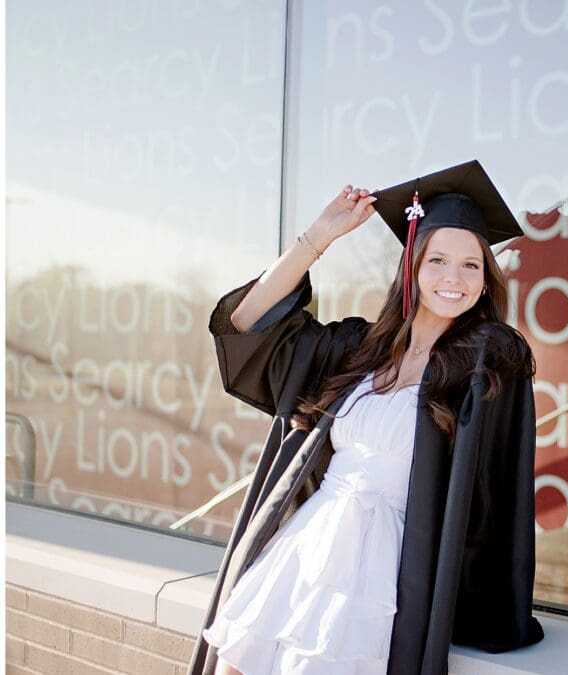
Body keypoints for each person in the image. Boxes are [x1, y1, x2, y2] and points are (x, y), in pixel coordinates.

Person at [187, 160, 545, 675]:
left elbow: (497, 487)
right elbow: (248, 325)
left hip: (385, 566)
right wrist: (319, 237)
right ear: (412, 267)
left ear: (487, 280)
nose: (454, 278)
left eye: (472, 265)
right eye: (438, 259)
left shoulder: (488, 359)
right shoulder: (358, 350)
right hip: (308, 545)